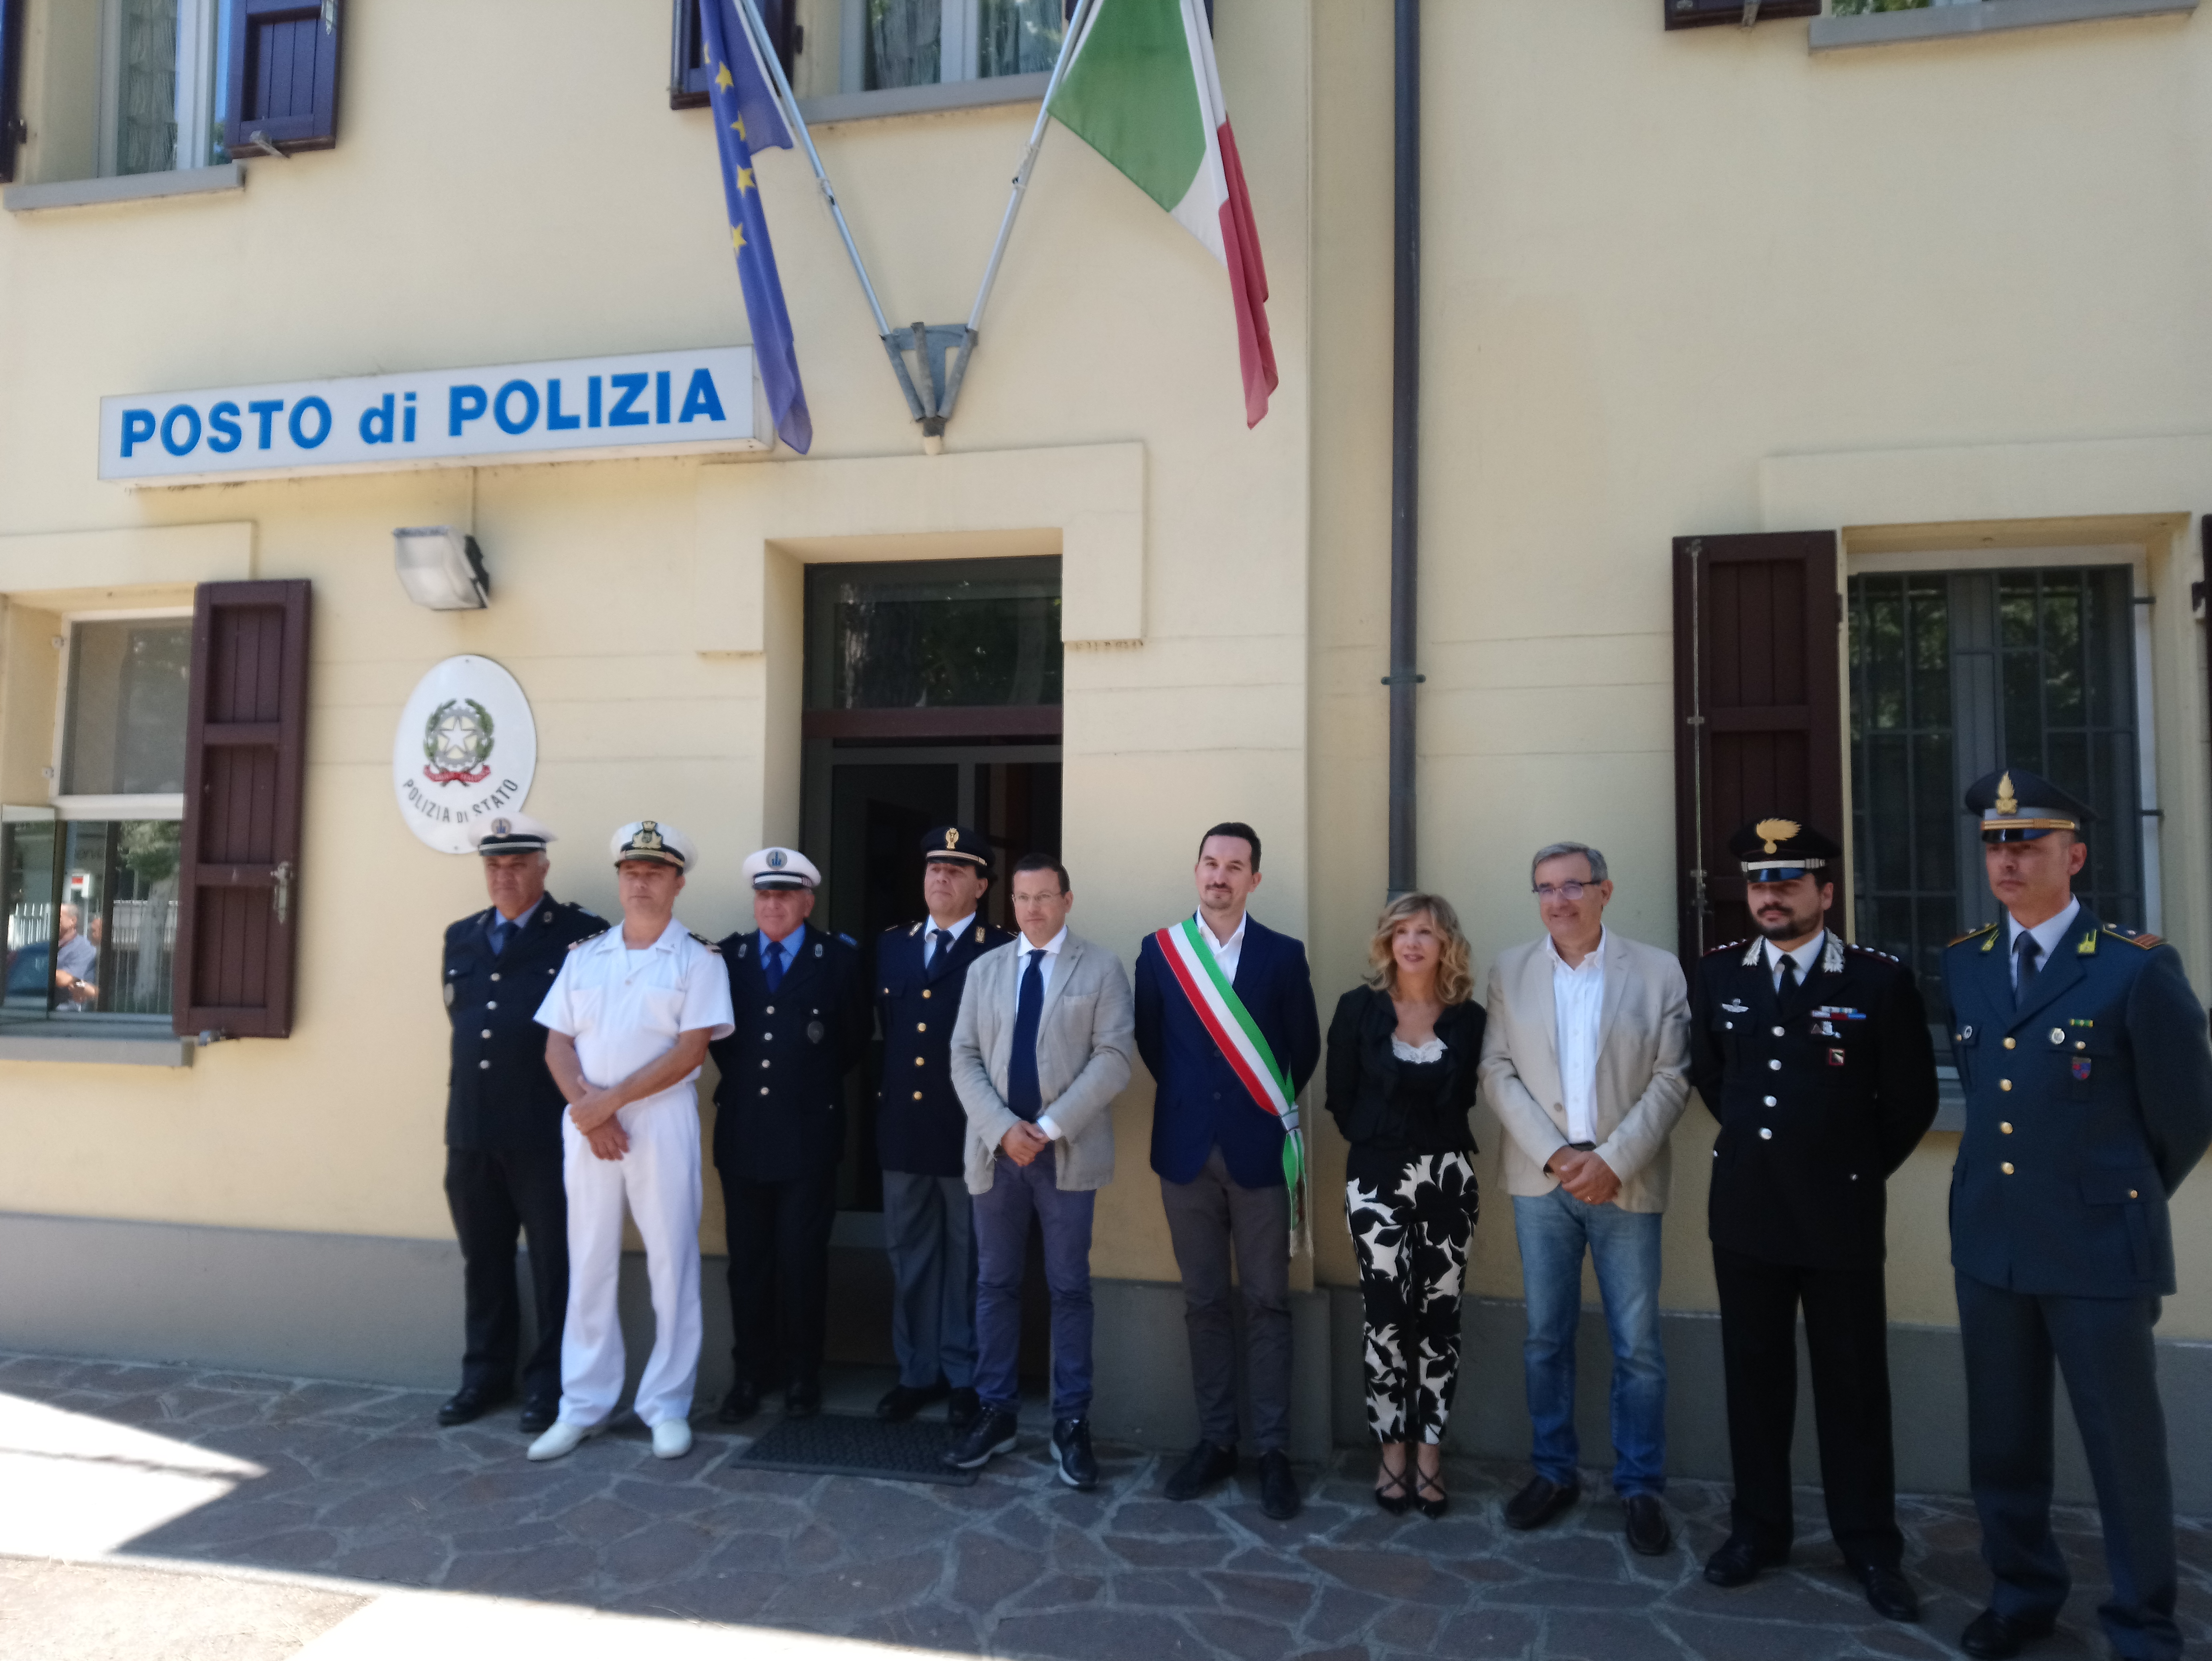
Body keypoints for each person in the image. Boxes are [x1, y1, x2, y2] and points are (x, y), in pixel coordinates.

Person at [1944, 770, 2212, 1661]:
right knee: (2004, 1441)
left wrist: (2116, 1196)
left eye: (2026, 841)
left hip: (2101, 1246)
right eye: (1994, 842)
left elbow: (2184, 1116)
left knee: (2123, 1450)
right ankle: (2021, 1593)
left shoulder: (2135, 965)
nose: (2007, 856)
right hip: (1994, 1243)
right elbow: (1989, 1092)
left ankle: (2143, 1622)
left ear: (2076, 854)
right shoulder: (1967, 960)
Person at [1688, 818, 1937, 1620]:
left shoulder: (1876, 980)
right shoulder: (1719, 974)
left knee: (1854, 1385)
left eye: (1789, 882)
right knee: (1754, 1380)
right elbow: (1713, 1078)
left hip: (1839, 1214)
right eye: (1761, 883)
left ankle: (1869, 1541)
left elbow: (1909, 1101)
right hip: (1750, 1210)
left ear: (1824, 892)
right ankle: (1758, 1528)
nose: (1771, 895)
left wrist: (1846, 1169)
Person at [1477, 840, 1690, 1557]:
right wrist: (1560, 1154)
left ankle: (1640, 1485)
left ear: (1605, 889)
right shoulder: (1510, 969)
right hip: (1544, 1182)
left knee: (1639, 1347)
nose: (1558, 900)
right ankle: (1553, 1470)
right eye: (1545, 887)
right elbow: (1498, 1070)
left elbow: (1672, 1076)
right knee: (1547, 1336)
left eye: (1573, 885)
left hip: (1625, 1181)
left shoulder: (1658, 970)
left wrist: (1612, 1160)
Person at [528, 820, 733, 1463]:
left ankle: (666, 1405)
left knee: (672, 1261)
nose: (640, 883)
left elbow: (691, 1050)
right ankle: (583, 1405)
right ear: (620, 881)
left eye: (654, 873)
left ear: (677, 883)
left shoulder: (699, 960)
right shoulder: (585, 956)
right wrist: (589, 1113)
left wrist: (607, 1106)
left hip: (659, 1120)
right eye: (631, 872)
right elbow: (556, 1042)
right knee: (588, 1259)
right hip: (587, 1123)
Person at [1135, 821, 1321, 1521]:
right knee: (1205, 1300)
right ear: (1197, 870)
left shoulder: (1282, 954)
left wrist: (1248, 1108)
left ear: (1254, 879)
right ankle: (1217, 1439)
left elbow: (1301, 1049)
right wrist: (1198, 1107)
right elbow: (1154, 1042)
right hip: (1185, 1153)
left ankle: (1273, 1450)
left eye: (1235, 866)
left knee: (1269, 1302)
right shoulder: (1160, 953)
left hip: (1260, 1154)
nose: (1220, 876)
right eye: (1211, 863)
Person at [943, 853, 1134, 1485]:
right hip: (997, 1155)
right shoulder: (985, 970)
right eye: (1023, 898)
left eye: (1045, 896)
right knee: (995, 1284)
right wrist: (1004, 1130)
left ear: (1067, 900)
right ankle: (995, 1411)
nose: (1033, 908)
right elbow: (964, 1056)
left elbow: (1113, 1059)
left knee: (1069, 1287)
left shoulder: (1102, 968)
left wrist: (1047, 1130)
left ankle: (1071, 1422)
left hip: (1065, 1154)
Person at [438, 813, 603, 1434]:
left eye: (516, 865)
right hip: (472, 1127)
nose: (504, 876)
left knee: (556, 1263)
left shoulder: (582, 936)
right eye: (494, 866)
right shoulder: (461, 936)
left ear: (543, 868)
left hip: (545, 1129)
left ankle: (551, 1385)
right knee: (484, 1259)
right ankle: (484, 1375)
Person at [1325, 893, 1485, 1519]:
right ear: (1387, 942)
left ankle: (1430, 1453)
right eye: (1402, 931)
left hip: (1450, 1181)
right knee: (1386, 1319)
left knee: (1440, 1319)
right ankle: (1391, 1450)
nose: (1413, 942)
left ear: (1446, 944)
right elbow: (1341, 1098)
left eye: (1426, 932)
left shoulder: (1468, 1019)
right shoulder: (1357, 1010)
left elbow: (1468, 1096)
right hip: (1376, 1179)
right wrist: (1384, 1138)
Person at [709, 847, 867, 1424]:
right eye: (764, 895)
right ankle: (752, 1372)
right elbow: (720, 1040)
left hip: (809, 1133)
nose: (771, 905)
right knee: (748, 1263)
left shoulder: (840, 960)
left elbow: (849, 1042)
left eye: (783, 895)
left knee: (802, 1262)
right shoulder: (728, 958)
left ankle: (803, 1374)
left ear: (807, 901)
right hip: (745, 1132)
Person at [873, 826, 1016, 1429]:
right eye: (934, 867)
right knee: (909, 1256)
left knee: (969, 1261)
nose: (941, 877)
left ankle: (965, 1376)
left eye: (957, 870)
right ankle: (916, 1372)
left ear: (982, 886)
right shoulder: (892, 947)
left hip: (969, 1133)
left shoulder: (1000, 949)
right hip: (904, 1128)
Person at [52, 903, 97, 1011]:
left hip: (68, 1009)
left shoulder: (83, 948)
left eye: (59, 917)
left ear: (73, 921)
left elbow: (65, 980)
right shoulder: (50, 946)